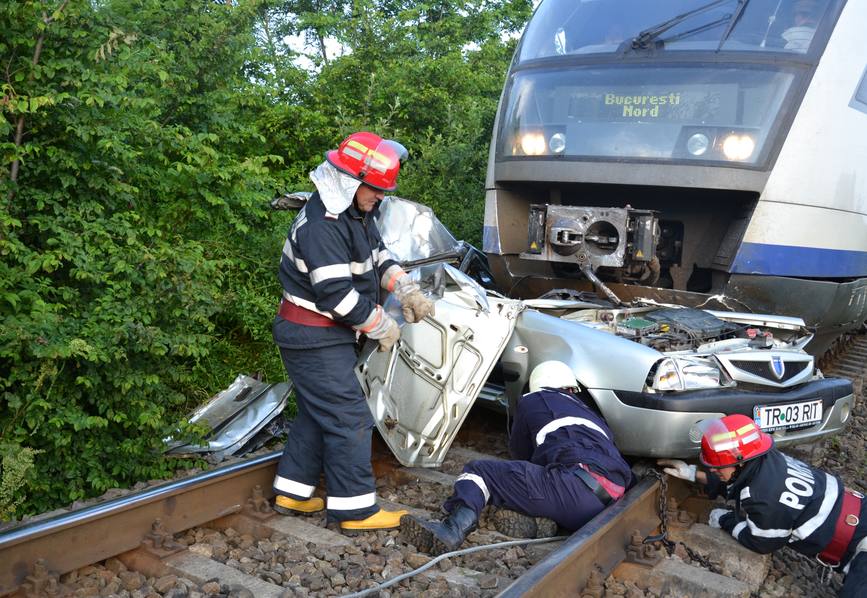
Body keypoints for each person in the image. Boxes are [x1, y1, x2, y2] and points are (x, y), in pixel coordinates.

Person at [271, 131, 435, 531]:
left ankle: (292, 490)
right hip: (313, 336)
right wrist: (382, 326)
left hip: (319, 336)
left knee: (317, 413)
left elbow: (377, 255)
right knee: (349, 418)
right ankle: (355, 510)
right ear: (350, 181)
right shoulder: (322, 226)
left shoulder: (353, 212)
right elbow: (336, 297)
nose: (379, 197)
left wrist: (405, 287)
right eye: (375, 190)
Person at [400, 360, 634, 554]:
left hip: (573, 494)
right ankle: (542, 523)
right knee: (544, 480)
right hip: (610, 500)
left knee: (480, 472)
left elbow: (521, 454)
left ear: (538, 385)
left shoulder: (534, 399)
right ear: (571, 388)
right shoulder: (592, 416)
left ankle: (452, 529)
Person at [659, 414, 866, 598]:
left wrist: (725, 520)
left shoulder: (765, 501)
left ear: (741, 462)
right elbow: (739, 482)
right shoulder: (771, 459)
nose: (713, 470)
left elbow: (762, 542)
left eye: (718, 467)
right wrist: (693, 473)